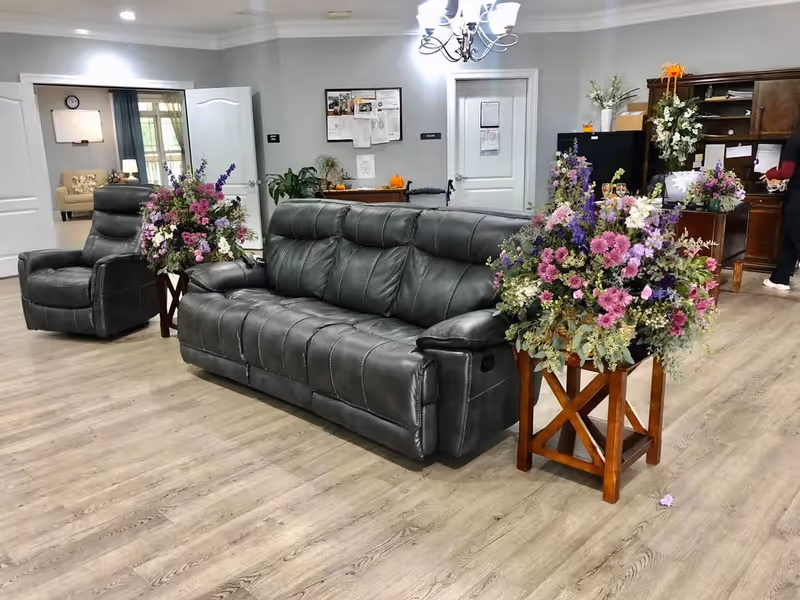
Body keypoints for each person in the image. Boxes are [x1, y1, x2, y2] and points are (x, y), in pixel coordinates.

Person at [762, 131, 800, 291]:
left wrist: (770, 173)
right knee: (790, 238)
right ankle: (780, 278)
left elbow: (786, 172)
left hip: (798, 196)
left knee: (796, 235)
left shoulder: (796, 140)